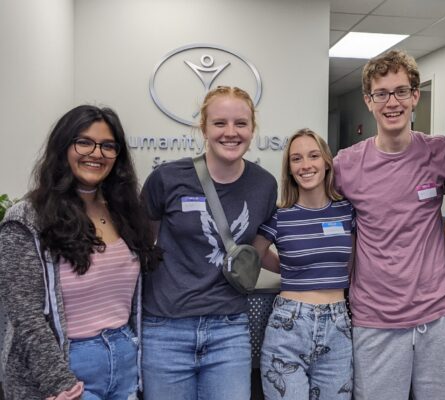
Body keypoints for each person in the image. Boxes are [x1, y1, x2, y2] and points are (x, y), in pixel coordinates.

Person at [333, 49, 445, 399]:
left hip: (438, 313)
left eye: (401, 91)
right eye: (381, 93)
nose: (391, 102)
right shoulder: (346, 164)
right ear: (368, 101)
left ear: (414, 96)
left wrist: (442, 252)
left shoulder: (439, 152)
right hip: (375, 318)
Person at [0, 105, 160, 400]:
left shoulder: (125, 214)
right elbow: (25, 314)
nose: (96, 153)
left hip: (124, 360)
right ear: (63, 147)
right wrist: (57, 382)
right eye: (84, 142)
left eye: (107, 146)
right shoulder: (26, 218)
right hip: (66, 368)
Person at [141, 86, 278, 400]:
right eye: (220, 123)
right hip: (166, 330)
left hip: (228, 330)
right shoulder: (166, 179)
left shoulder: (264, 185)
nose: (231, 132)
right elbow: (142, 246)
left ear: (252, 129)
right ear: (203, 128)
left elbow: (255, 256)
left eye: (241, 123)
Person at [253, 129, 354, 399]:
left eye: (313, 156)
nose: (306, 165)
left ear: (327, 162)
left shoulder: (347, 211)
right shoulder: (279, 215)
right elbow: (255, 254)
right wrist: (288, 267)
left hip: (338, 324)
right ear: (289, 168)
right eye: (296, 159)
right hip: (289, 325)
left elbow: (355, 259)